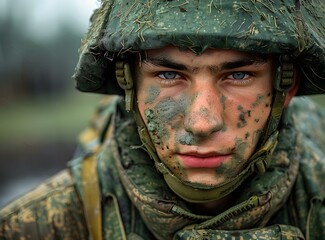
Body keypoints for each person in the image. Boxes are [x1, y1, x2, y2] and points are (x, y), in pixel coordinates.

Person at [1, 0, 325, 239]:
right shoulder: (36, 227)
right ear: (130, 84)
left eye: (238, 74)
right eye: (169, 74)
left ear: (286, 85)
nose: (201, 123)